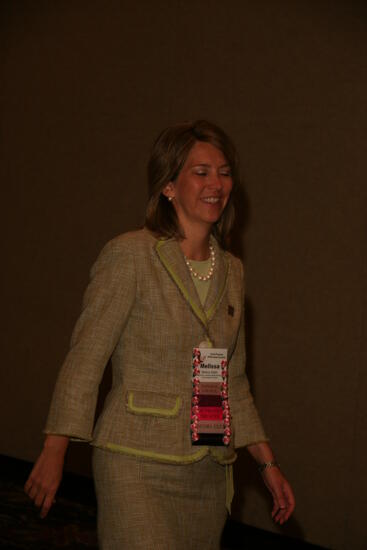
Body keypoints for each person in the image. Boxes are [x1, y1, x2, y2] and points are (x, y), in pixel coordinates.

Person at [25, 120, 295, 549]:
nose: (217, 184)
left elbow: (233, 381)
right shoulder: (130, 254)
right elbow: (85, 358)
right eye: (200, 172)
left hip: (207, 472)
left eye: (224, 172)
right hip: (135, 462)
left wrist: (267, 465)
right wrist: (54, 448)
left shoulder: (233, 272)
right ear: (169, 185)